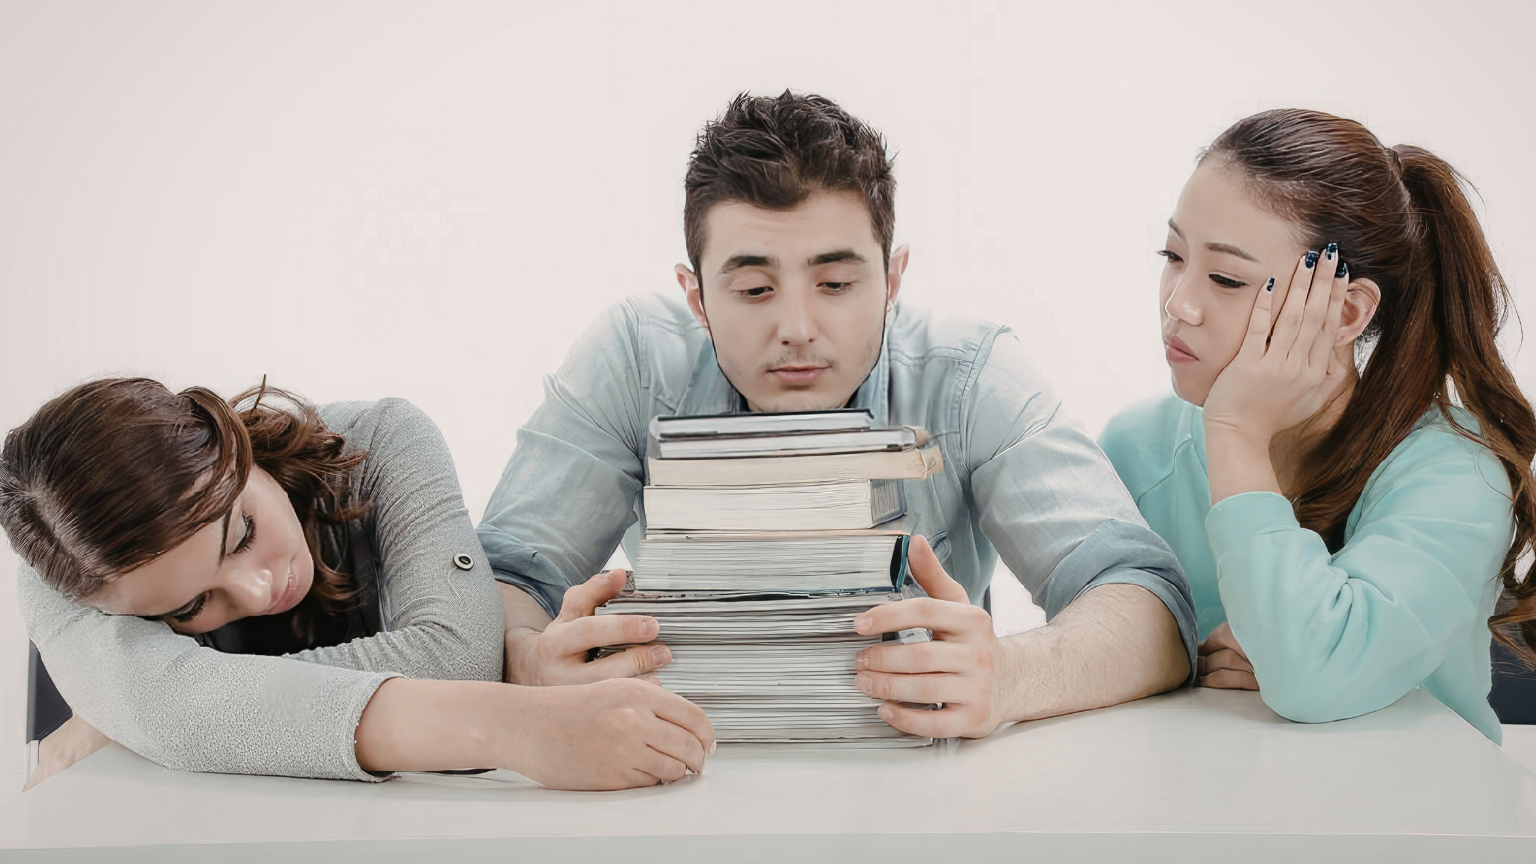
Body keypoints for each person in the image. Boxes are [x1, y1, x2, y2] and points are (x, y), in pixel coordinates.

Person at [480, 91, 1197, 739]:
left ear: (892, 280)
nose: (797, 326)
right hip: (690, 776)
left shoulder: (972, 373)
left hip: (917, 788)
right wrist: (530, 665)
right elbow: (501, 580)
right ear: (696, 298)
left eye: (835, 282)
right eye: (755, 289)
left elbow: (1150, 608)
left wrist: (1008, 676)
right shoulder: (633, 360)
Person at [3, 378, 713, 790]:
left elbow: (457, 655)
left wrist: (164, 705)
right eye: (190, 607)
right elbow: (167, 709)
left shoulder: (381, 444)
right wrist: (514, 725)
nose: (255, 591)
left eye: (242, 531)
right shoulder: (66, 561)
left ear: (228, 438)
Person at [1098, 109, 1536, 741]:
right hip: (1195, 818)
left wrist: (1237, 433)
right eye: (1173, 254)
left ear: (1347, 309)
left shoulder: (1457, 474)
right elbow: (1096, 654)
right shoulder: (1133, 448)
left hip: (1415, 823)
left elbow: (1311, 674)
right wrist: (1175, 659)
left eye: (1226, 278)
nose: (1178, 303)